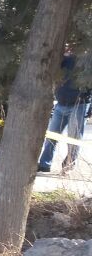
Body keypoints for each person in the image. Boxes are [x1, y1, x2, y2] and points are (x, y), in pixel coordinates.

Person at [38, 45, 87, 173]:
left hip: (78, 105)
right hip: (60, 104)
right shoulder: (62, 59)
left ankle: (68, 165)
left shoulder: (87, 60)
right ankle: (44, 164)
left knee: (73, 138)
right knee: (51, 136)